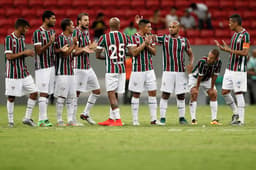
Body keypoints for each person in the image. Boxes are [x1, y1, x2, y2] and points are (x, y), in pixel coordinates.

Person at [96, 17, 133, 126]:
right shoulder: (125, 37)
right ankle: (111, 119)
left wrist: (108, 58)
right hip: (122, 69)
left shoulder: (104, 38)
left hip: (111, 69)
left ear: (109, 26)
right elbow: (131, 52)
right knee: (115, 93)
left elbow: (97, 55)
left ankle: (118, 119)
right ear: (119, 25)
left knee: (111, 93)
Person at [156, 20, 194, 125]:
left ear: (178, 28)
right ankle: (162, 118)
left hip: (180, 72)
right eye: (169, 27)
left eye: (173, 27)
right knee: (165, 94)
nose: (171, 29)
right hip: (168, 71)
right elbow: (151, 37)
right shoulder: (164, 38)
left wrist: (190, 63)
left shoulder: (184, 41)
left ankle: (182, 118)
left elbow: (190, 54)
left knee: (181, 95)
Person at [215, 14, 250, 125]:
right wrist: (226, 49)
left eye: (230, 22)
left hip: (239, 70)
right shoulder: (235, 35)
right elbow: (232, 50)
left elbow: (245, 53)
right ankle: (236, 113)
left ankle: (241, 120)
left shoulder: (245, 35)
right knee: (225, 92)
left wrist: (229, 50)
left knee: (238, 93)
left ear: (236, 23)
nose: (229, 24)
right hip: (230, 68)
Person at [4, 18, 38, 127]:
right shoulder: (9, 39)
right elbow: (9, 57)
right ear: (20, 27)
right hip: (12, 74)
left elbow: (20, 54)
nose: (27, 30)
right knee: (11, 97)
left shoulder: (22, 38)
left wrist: (27, 53)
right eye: (26, 28)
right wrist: (24, 52)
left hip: (24, 72)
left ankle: (27, 118)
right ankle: (10, 121)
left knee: (34, 92)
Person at [129, 19, 158, 126]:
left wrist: (148, 44)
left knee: (153, 93)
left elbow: (154, 52)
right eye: (148, 27)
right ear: (142, 27)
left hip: (149, 69)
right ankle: (135, 120)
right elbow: (134, 52)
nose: (150, 29)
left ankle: (154, 119)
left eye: (151, 27)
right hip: (138, 70)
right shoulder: (133, 37)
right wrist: (144, 44)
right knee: (136, 94)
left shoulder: (151, 37)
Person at [72, 13, 100, 126]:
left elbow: (88, 46)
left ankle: (85, 114)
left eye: (88, 20)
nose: (87, 22)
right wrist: (86, 48)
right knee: (76, 93)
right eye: (85, 20)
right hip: (78, 68)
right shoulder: (75, 32)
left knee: (97, 91)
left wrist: (93, 46)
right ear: (79, 21)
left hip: (88, 67)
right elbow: (74, 51)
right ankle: (72, 119)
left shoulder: (86, 32)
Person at [33, 10, 56, 127]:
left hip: (51, 66)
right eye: (52, 18)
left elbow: (53, 50)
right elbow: (38, 51)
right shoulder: (37, 33)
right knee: (42, 93)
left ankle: (44, 118)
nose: (55, 21)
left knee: (47, 93)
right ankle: (41, 120)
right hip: (42, 67)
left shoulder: (52, 32)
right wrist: (49, 42)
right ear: (46, 19)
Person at [188, 49, 222, 125]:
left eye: (211, 58)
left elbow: (215, 75)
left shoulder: (219, 62)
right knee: (194, 93)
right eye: (208, 57)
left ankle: (214, 120)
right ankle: (193, 120)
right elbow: (200, 76)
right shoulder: (203, 62)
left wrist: (212, 88)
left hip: (207, 79)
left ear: (216, 59)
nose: (209, 59)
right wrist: (196, 88)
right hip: (195, 78)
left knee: (214, 94)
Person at [54, 18, 78, 126]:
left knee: (71, 96)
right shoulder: (61, 38)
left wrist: (79, 48)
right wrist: (74, 45)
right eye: (72, 25)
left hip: (70, 71)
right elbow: (64, 54)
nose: (74, 26)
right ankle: (59, 120)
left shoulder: (70, 38)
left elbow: (72, 54)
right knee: (62, 96)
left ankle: (70, 120)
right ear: (67, 27)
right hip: (62, 72)